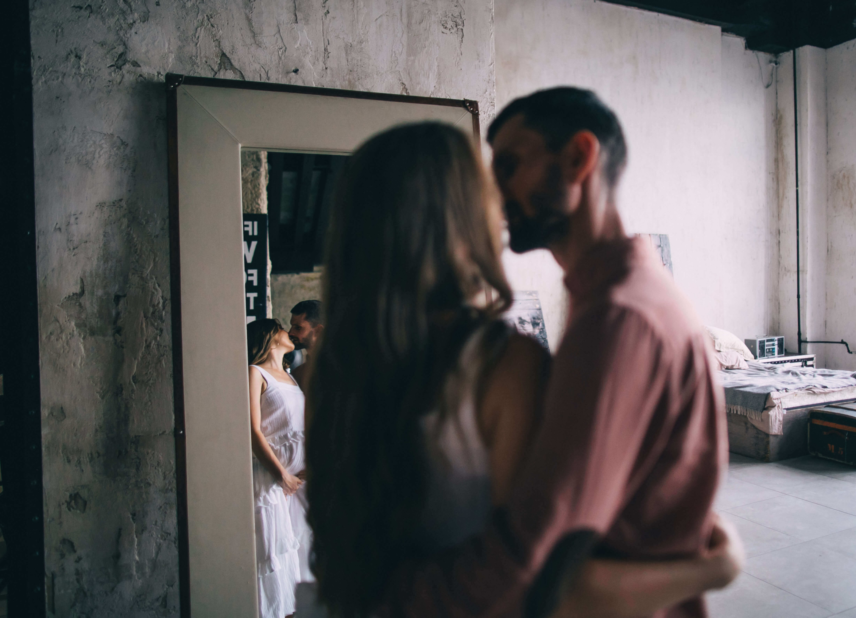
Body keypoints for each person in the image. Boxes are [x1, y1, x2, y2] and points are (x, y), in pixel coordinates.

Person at [299, 121, 740, 618]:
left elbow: (333, 529)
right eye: (488, 187)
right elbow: (529, 573)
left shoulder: (327, 369)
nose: (502, 202)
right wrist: (711, 570)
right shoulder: (503, 365)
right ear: (462, 216)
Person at [247, 318, 310, 618]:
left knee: (297, 561)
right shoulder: (255, 372)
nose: (290, 332)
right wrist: (282, 475)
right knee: (274, 563)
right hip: (274, 482)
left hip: (300, 485)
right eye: (284, 328)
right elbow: (253, 430)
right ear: (271, 337)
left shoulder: (291, 377)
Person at [288, 299, 325, 388]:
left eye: (298, 328)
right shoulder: (297, 374)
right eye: (292, 326)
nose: (290, 333)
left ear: (318, 331)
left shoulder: (341, 367)